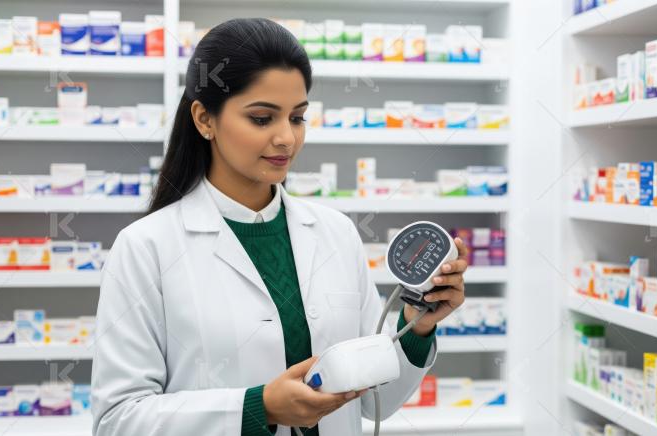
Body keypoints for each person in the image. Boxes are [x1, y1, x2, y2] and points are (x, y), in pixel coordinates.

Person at [91, 18, 468, 436]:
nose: (287, 138)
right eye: (261, 118)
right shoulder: (147, 247)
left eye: (298, 117)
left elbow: (377, 398)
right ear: (205, 120)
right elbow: (118, 420)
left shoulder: (335, 233)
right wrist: (259, 408)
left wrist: (418, 323)